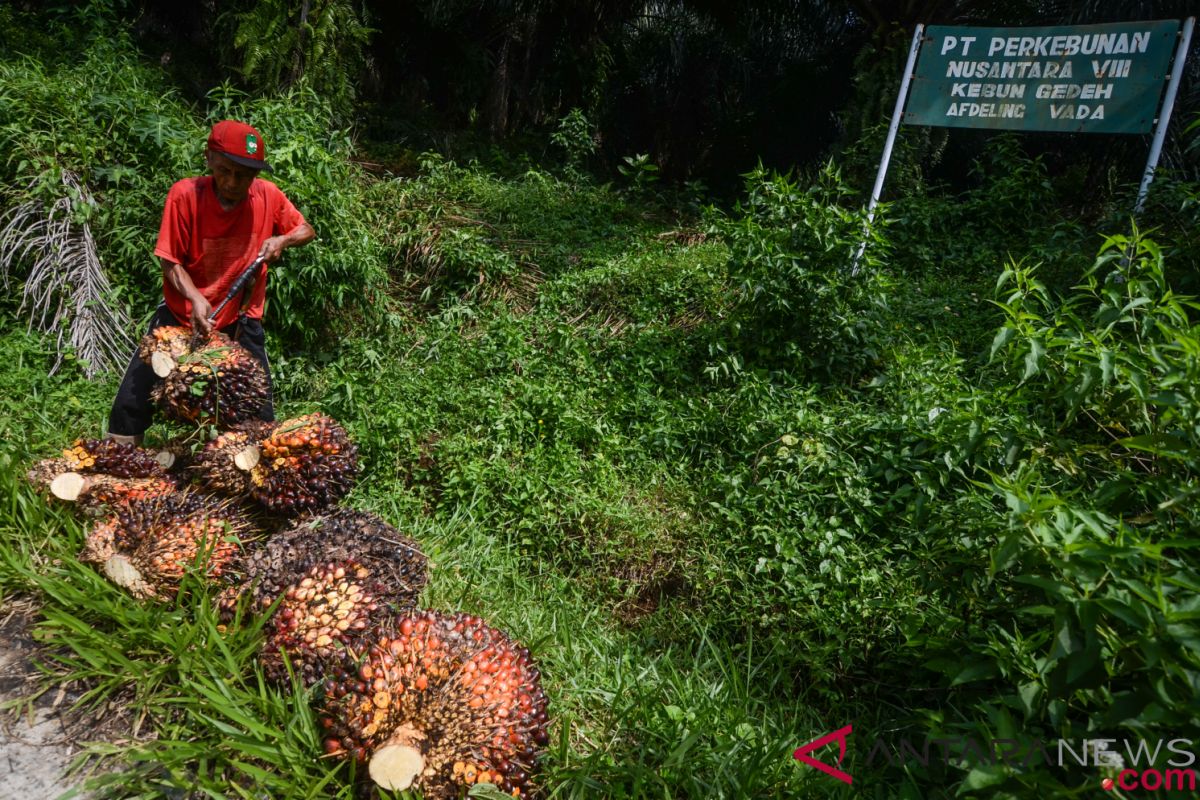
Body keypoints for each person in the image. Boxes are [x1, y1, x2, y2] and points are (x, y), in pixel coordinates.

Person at [107, 119, 316, 445]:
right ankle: (112, 471)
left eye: (244, 175)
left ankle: (256, 478)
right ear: (209, 159)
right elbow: (170, 262)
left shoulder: (268, 195)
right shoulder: (185, 196)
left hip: (241, 319)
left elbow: (306, 230)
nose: (233, 182)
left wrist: (281, 241)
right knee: (131, 401)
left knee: (258, 409)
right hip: (180, 316)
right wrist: (195, 299)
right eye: (224, 170)